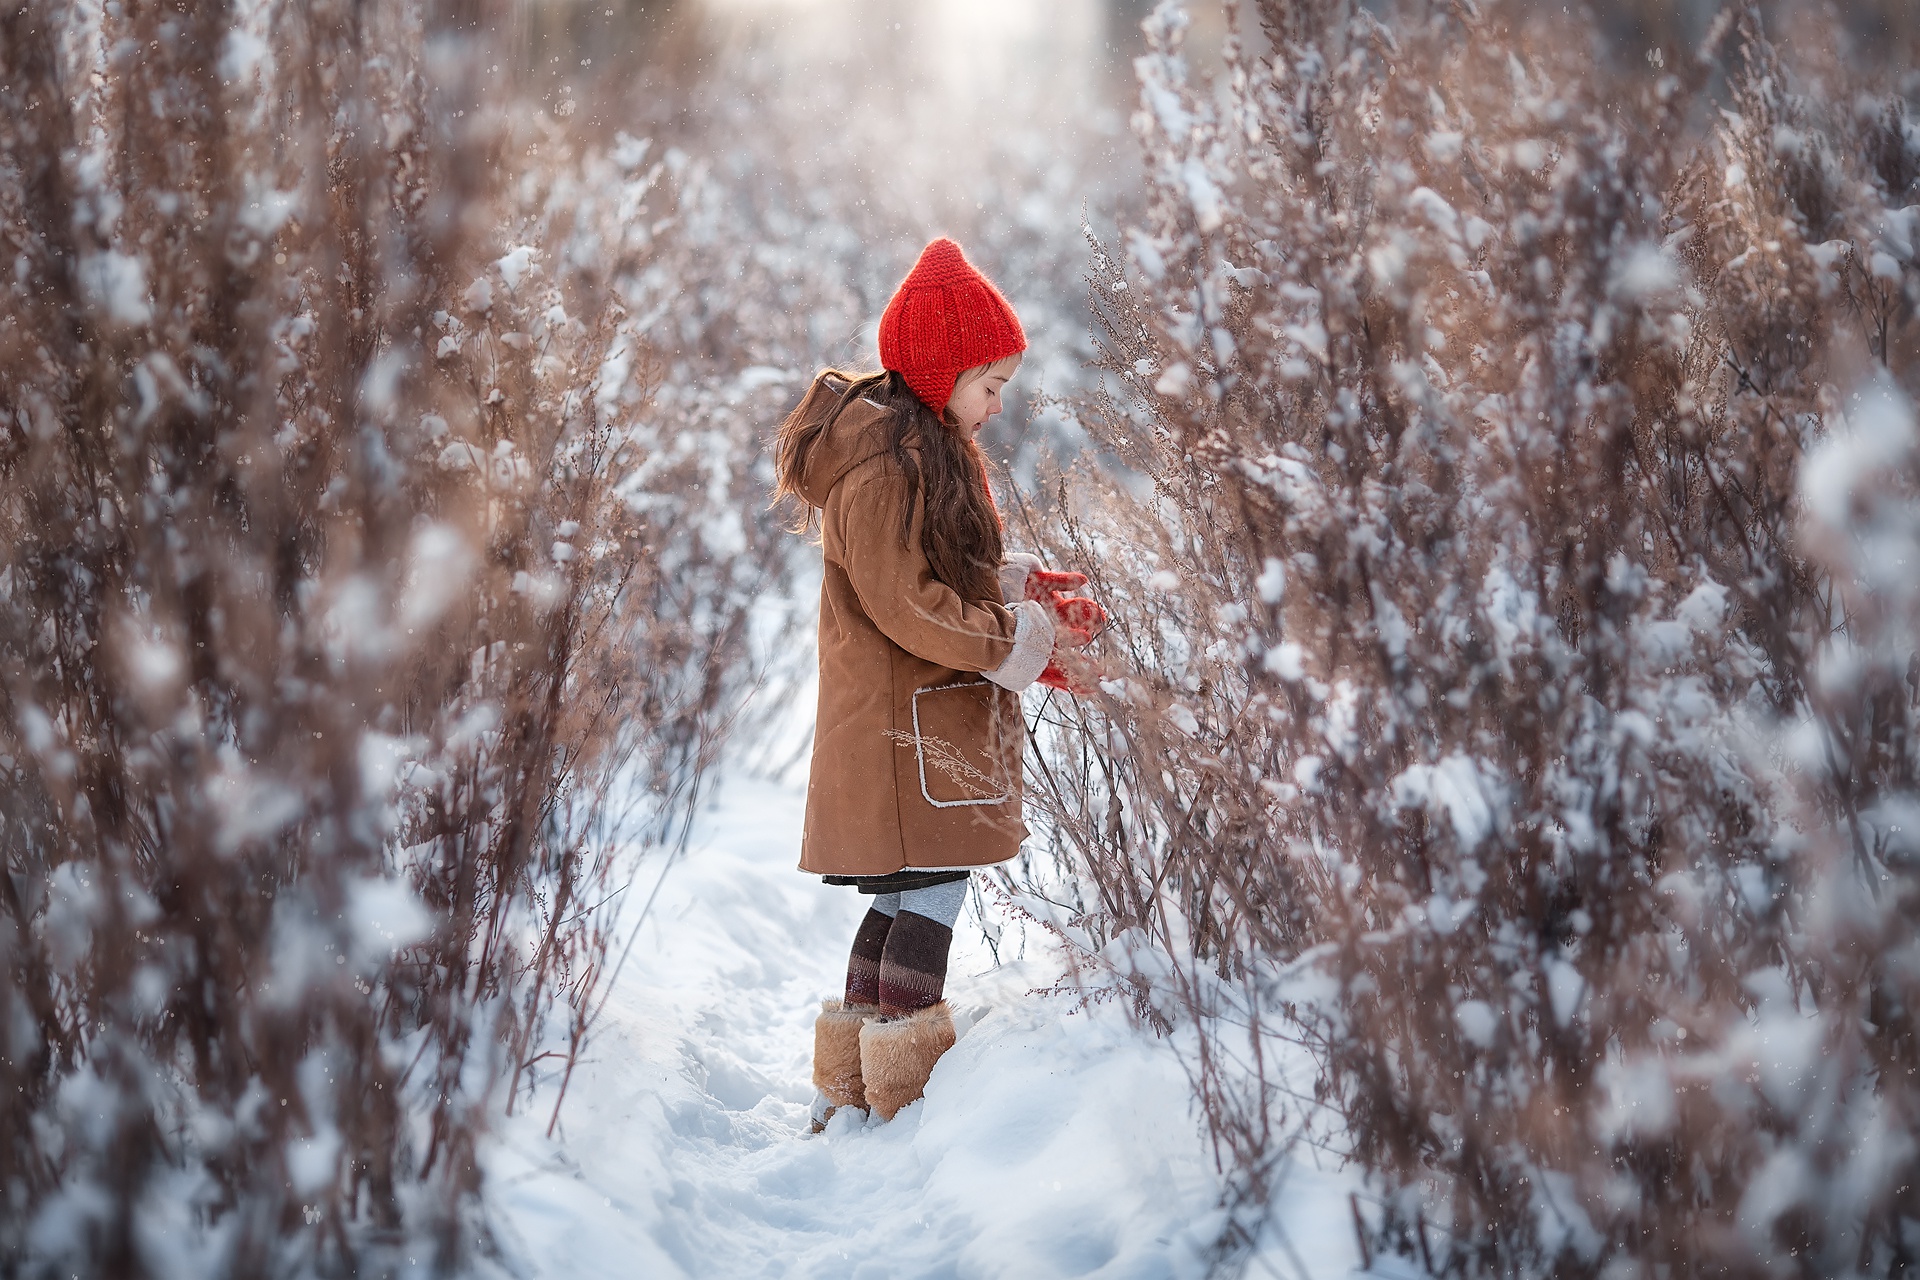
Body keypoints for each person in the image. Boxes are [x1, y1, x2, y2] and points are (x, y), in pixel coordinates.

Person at [772, 238, 1106, 1130]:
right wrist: (1016, 639)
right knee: (927, 892)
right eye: (989, 383)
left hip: (921, 721)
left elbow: (939, 571)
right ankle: (900, 1087)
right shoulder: (886, 466)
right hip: (903, 730)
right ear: (939, 371)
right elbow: (910, 606)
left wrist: (1011, 585)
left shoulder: (921, 448)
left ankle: (852, 1082)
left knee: (902, 896)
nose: (999, 404)